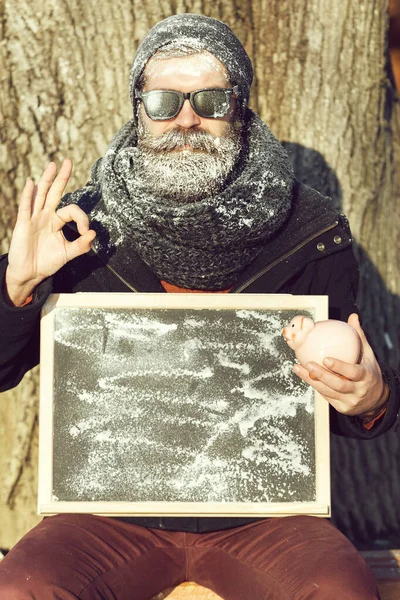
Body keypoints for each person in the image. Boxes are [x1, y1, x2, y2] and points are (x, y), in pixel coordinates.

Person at [0, 13, 398, 600]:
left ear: (239, 108)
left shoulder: (309, 231)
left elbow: (335, 396)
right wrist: (15, 287)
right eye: (163, 100)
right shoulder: (81, 230)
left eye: (211, 98)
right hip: (106, 515)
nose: (186, 118)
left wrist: (372, 399)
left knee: (340, 589)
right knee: (24, 590)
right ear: (139, 109)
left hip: (266, 516)